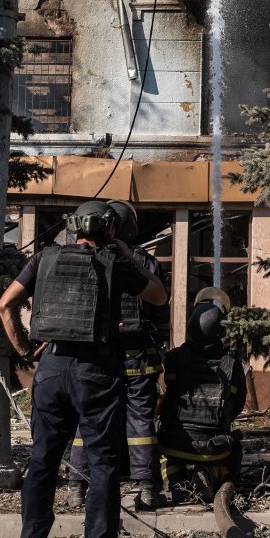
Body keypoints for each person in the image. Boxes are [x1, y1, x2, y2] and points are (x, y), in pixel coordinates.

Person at [0, 200, 168, 538]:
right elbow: (159, 296)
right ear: (111, 229)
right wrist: (127, 254)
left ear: (73, 227)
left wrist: (25, 351)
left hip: (51, 369)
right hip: (96, 371)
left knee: (43, 459)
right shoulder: (115, 262)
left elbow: (4, 304)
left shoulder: (43, 257)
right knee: (103, 464)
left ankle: (31, 537)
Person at [68, 200, 168, 509]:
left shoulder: (87, 259)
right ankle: (148, 488)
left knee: (88, 419)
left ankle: (76, 487)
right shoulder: (146, 263)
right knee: (141, 421)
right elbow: (160, 310)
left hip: (96, 356)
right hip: (139, 356)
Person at [157, 287, 248, 505]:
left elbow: (166, 396)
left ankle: (175, 479)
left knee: (164, 457)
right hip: (213, 446)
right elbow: (237, 406)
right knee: (231, 452)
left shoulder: (174, 358)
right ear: (220, 331)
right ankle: (209, 471)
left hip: (175, 442)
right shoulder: (232, 365)